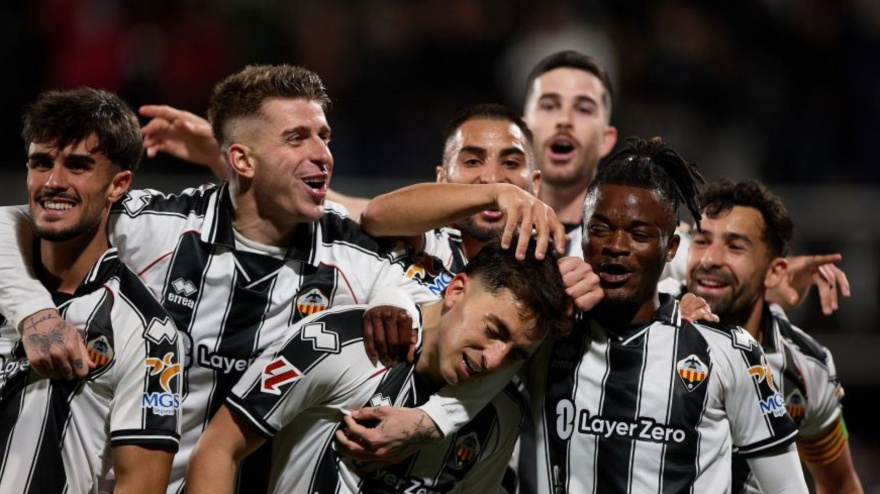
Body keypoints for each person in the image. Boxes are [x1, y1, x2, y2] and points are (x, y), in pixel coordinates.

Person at [0, 64, 442, 493]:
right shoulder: (157, 228)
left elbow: (434, 289)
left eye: (324, 136)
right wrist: (34, 313)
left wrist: (397, 299)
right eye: (297, 137)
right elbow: (15, 221)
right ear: (241, 159)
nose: (323, 154)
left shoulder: (354, 256)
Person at [186, 236, 572, 493]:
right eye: (493, 329)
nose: (494, 359)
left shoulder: (500, 417)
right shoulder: (333, 341)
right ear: (455, 290)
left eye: (517, 354)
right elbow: (219, 449)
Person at [0, 87, 182, 493]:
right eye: (40, 163)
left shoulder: (148, 333)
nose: (53, 182)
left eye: (78, 166)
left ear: (118, 185)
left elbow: (142, 484)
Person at [682, 179, 863, 493]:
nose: (710, 259)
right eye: (701, 241)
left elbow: (840, 484)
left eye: (735, 246)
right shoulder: (646, 323)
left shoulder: (805, 369)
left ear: (775, 272)